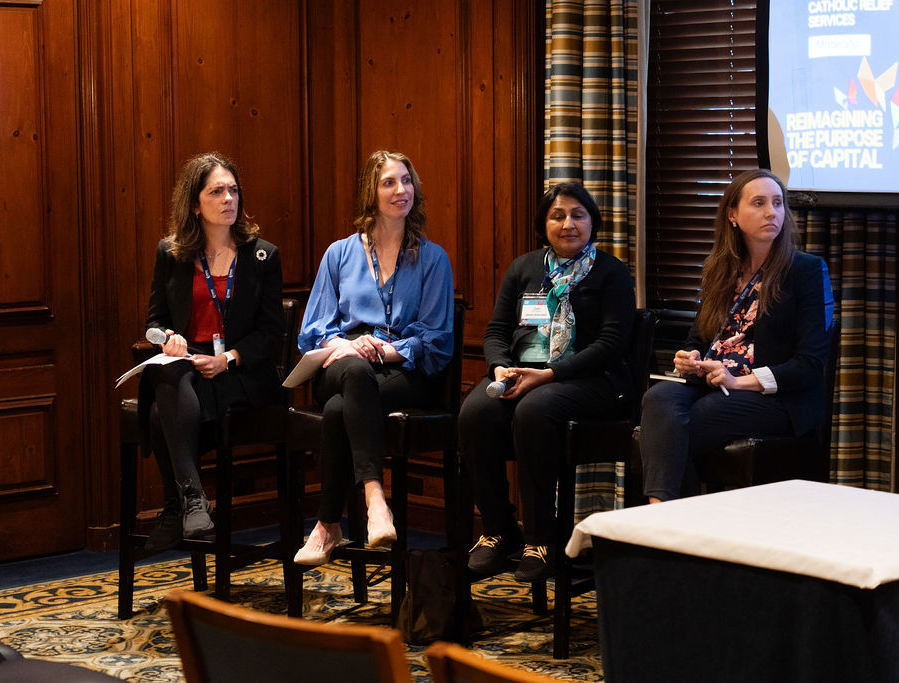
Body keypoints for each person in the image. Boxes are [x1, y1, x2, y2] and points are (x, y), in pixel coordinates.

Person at [458, 182, 636, 582]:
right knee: (474, 412)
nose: (568, 224)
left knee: (535, 410)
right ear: (544, 224)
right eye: (558, 216)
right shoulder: (524, 268)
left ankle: (541, 538)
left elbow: (611, 345)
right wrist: (499, 367)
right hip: (523, 373)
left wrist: (550, 374)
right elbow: (496, 331)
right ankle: (498, 529)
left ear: (592, 221)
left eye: (578, 215)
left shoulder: (611, 272)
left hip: (593, 380)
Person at [293, 150, 455, 566]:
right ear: (371, 192)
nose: (401, 190)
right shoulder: (339, 253)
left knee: (338, 410)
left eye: (407, 180)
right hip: (341, 362)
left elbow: (436, 339)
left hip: (404, 369)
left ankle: (327, 525)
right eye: (389, 182)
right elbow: (313, 329)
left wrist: (382, 350)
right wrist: (348, 345)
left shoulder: (433, 258)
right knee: (353, 371)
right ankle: (375, 499)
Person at [640, 168, 835, 503]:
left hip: (774, 398)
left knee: (679, 428)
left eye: (777, 203)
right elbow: (699, 338)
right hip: (713, 383)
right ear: (732, 214)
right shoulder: (720, 269)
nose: (771, 212)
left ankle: (661, 516)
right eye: (759, 203)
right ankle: (671, 520)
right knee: (658, 398)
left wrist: (737, 382)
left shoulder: (805, 271)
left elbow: (809, 363)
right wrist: (689, 357)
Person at [139, 152, 285, 553]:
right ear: (194, 204)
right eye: (216, 192)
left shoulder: (262, 255)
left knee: (159, 412)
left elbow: (272, 333)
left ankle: (178, 506)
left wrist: (227, 359)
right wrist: (167, 338)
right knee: (167, 370)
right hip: (190, 365)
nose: (228, 199)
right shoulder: (171, 253)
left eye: (233, 190)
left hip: (242, 371)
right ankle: (192, 497)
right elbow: (155, 321)